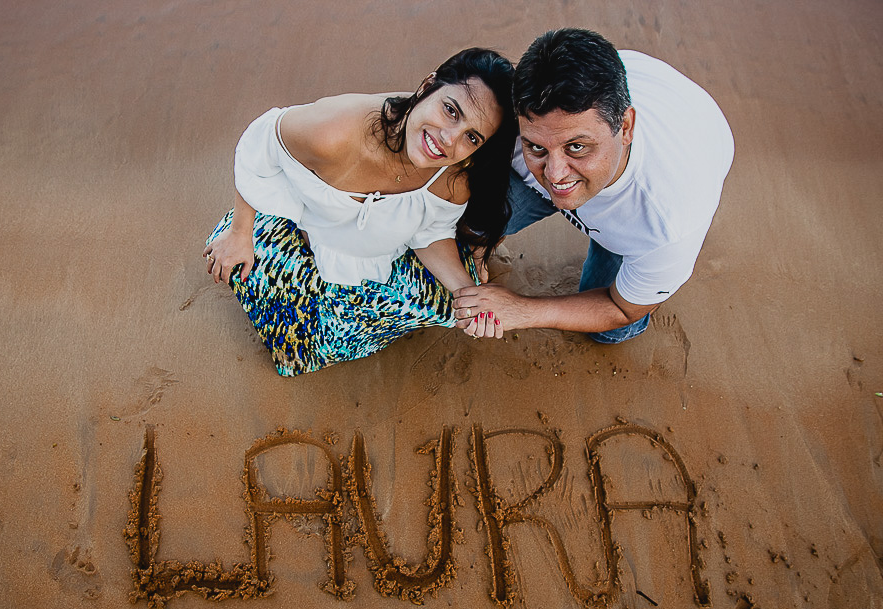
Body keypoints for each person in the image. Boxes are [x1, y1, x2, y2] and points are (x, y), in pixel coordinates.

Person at [204, 48, 516, 376]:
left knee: (445, 308)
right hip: (300, 231)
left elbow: (430, 232)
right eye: (451, 110)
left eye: (471, 137)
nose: (448, 140)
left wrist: (466, 292)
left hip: (373, 252)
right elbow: (259, 143)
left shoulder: (453, 175)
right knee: (290, 322)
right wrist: (240, 232)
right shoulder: (333, 134)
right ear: (428, 86)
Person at [454, 29, 734, 343]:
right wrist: (480, 239)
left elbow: (622, 309)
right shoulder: (513, 120)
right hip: (628, 92)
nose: (555, 174)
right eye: (537, 147)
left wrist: (522, 309)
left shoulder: (667, 220)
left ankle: (621, 250)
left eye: (577, 147)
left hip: (674, 158)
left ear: (625, 127)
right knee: (463, 220)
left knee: (610, 330)